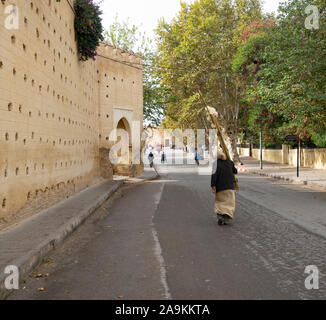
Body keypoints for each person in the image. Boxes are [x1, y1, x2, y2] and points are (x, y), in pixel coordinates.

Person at [211, 150, 238, 225]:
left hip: (220, 188)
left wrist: (213, 186)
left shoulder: (215, 164)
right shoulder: (230, 162)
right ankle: (226, 219)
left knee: (220, 203)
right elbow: (235, 171)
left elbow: (214, 176)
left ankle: (220, 217)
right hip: (230, 187)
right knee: (229, 204)